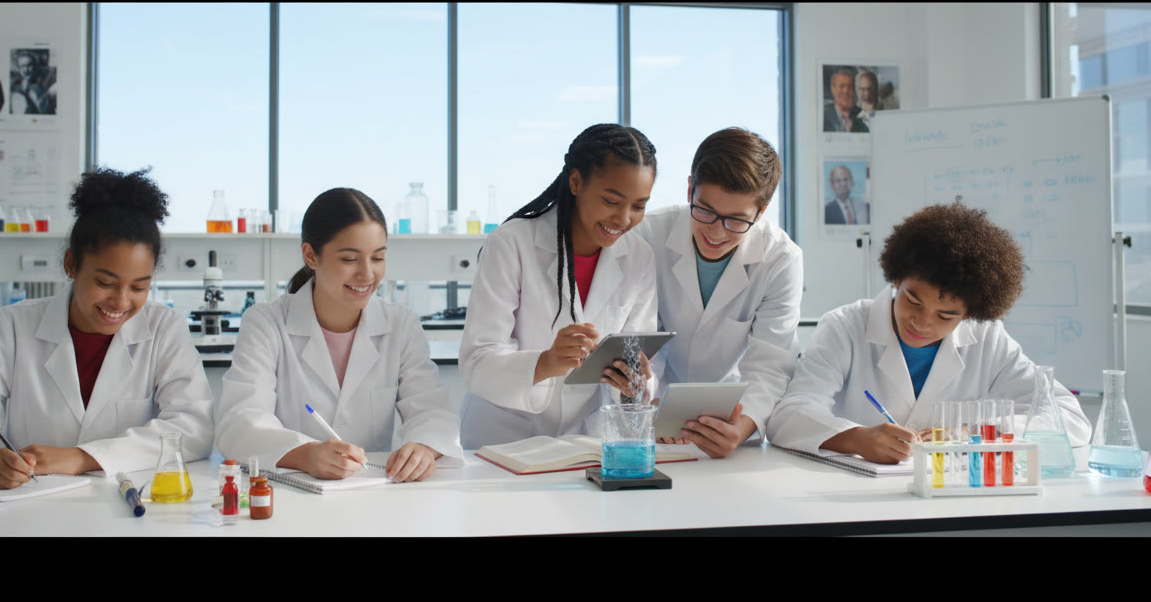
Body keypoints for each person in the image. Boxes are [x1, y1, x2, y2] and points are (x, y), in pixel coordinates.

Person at [0, 168, 214, 489]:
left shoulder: (163, 327)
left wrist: (82, 457)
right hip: (31, 502)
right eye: (105, 282)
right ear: (71, 264)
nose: (120, 301)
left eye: (139, 287)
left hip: (129, 500)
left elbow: (193, 428)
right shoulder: (12, 326)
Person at [766, 200, 1092, 463]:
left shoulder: (988, 339)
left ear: (970, 313)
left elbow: (1069, 419)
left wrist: (971, 433)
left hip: (949, 497)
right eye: (913, 300)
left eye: (946, 315)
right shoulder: (846, 326)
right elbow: (788, 415)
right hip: (850, 497)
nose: (922, 323)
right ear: (896, 279)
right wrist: (856, 438)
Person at [216, 188, 461, 482]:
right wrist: (305, 454)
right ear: (311, 255)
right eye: (349, 259)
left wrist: (424, 446)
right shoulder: (266, 323)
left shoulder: (400, 325)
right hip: (290, 494)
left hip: (370, 491)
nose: (368, 274)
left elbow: (431, 408)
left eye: (378, 258)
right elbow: (240, 422)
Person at [460, 123, 659, 449]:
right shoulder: (512, 243)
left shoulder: (639, 256)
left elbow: (638, 361)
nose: (624, 219)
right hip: (503, 440)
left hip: (585, 441)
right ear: (576, 182)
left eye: (638, 206)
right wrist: (547, 362)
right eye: (611, 200)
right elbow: (477, 363)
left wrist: (634, 385)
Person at [637, 127, 802, 458]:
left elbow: (770, 365)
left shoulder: (780, 259)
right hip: (649, 420)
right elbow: (640, 336)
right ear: (689, 190)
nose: (716, 231)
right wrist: (645, 398)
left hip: (729, 421)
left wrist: (740, 429)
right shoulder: (647, 236)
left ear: (762, 210)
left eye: (736, 220)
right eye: (705, 211)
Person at [823, 68, 869, 133]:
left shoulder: (863, 115)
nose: (846, 91)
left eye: (850, 87)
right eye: (842, 86)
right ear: (833, 88)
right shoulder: (824, 114)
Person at [10, 50, 55, 115]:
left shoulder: (45, 80)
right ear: (18, 69)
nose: (26, 69)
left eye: (29, 65)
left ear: (35, 66)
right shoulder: (15, 84)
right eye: (22, 66)